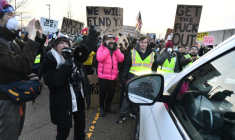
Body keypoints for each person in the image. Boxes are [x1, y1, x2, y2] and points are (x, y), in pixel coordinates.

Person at [42, 25, 98, 140]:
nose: (64, 45)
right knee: (63, 131)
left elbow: (87, 47)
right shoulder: (49, 61)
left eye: (66, 43)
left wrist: (92, 34)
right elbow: (53, 82)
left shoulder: (74, 55)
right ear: (55, 46)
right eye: (61, 43)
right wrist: (65, 66)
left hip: (78, 98)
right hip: (62, 102)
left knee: (80, 128)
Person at [0, 0, 45, 139]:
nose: (13, 17)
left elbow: (30, 52)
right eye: (9, 14)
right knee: (8, 135)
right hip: (6, 99)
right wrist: (30, 37)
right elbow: (23, 64)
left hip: (15, 96)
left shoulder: (10, 38)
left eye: (14, 14)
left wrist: (38, 38)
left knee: (15, 133)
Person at [116, 36, 158, 123]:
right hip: (133, 77)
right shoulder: (132, 52)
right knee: (128, 96)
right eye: (142, 42)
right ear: (139, 43)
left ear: (147, 43)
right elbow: (126, 65)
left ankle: (134, 112)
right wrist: (124, 76)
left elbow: (154, 67)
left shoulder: (152, 54)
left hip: (145, 79)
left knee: (139, 97)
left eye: (145, 42)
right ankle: (123, 114)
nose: (144, 44)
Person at [96, 34, 124, 117]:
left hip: (113, 77)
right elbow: (100, 58)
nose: (111, 41)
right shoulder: (101, 48)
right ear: (105, 40)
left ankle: (108, 106)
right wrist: (108, 49)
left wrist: (115, 50)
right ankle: (101, 107)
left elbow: (121, 59)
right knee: (103, 94)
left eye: (113, 39)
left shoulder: (116, 49)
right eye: (109, 39)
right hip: (103, 76)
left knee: (111, 94)